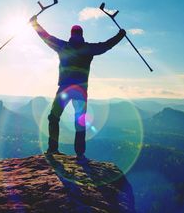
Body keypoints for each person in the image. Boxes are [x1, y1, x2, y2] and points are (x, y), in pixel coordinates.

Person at [30, 15, 126, 161]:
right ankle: (80, 154)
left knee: (54, 117)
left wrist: (34, 23)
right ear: (81, 35)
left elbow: (46, 36)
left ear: (71, 34)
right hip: (80, 91)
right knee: (80, 121)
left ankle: (53, 149)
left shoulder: (62, 46)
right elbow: (106, 45)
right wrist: (120, 35)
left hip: (64, 89)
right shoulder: (88, 49)